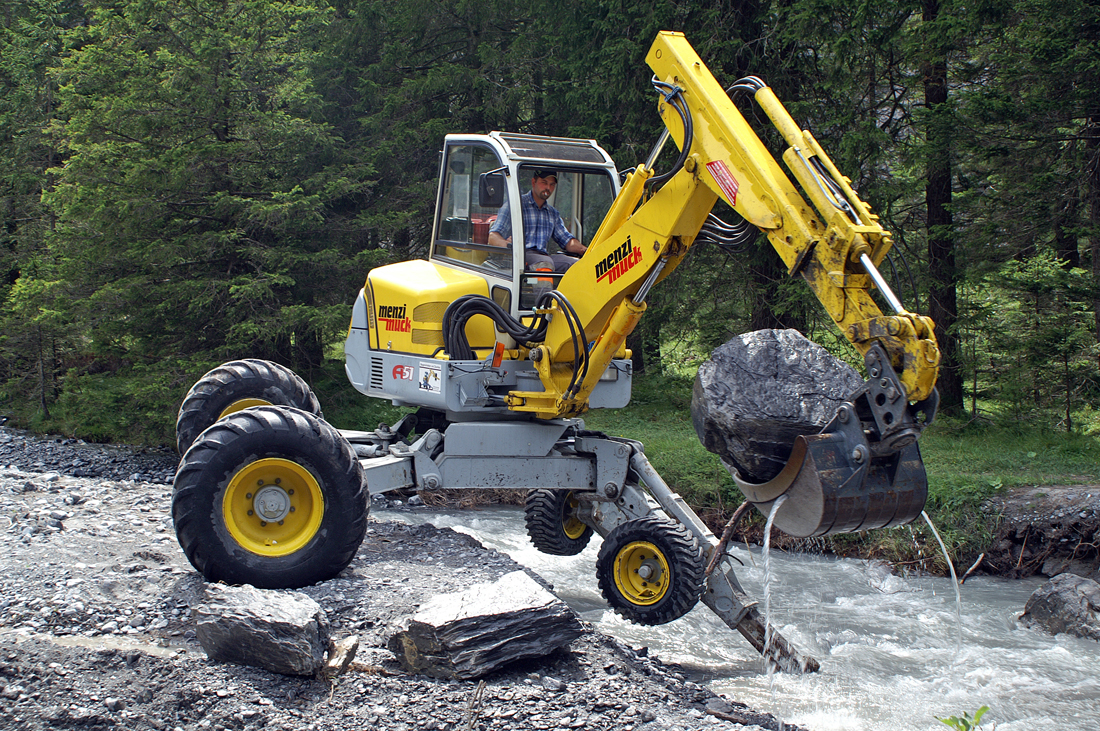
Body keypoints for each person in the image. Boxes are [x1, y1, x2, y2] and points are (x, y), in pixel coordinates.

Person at [487, 169, 587, 273]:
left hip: (543, 256)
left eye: (552, 184)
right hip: (520, 256)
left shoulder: (552, 213)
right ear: (533, 182)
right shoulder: (515, 205)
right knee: (544, 264)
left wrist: (586, 250)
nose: (548, 188)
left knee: (577, 265)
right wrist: (509, 246)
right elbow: (493, 237)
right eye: (544, 183)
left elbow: (566, 240)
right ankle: (545, 290)